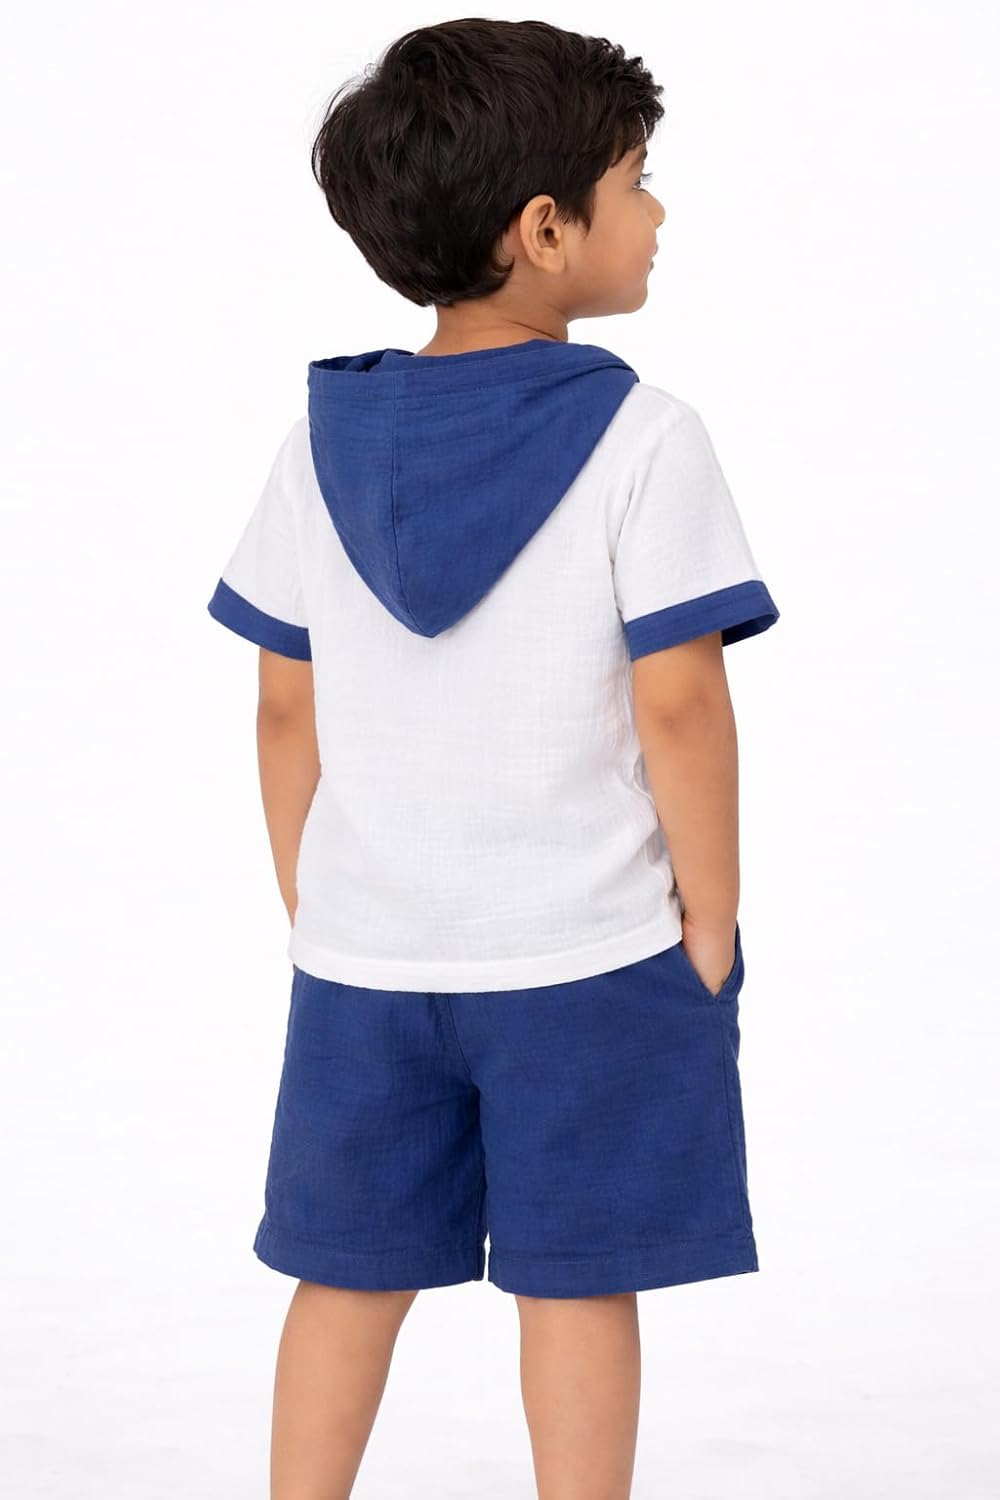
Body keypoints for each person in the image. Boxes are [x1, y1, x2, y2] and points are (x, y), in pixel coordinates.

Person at [206, 18, 780, 1500]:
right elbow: (680, 704)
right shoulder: (645, 437)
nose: (659, 212)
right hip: (587, 953)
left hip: (365, 958)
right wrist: (711, 913)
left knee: (345, 1272)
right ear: (545, 230)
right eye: (636, 182)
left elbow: (283, 704)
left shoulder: (319, 441)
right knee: (578, 1281)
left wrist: (316, 895)